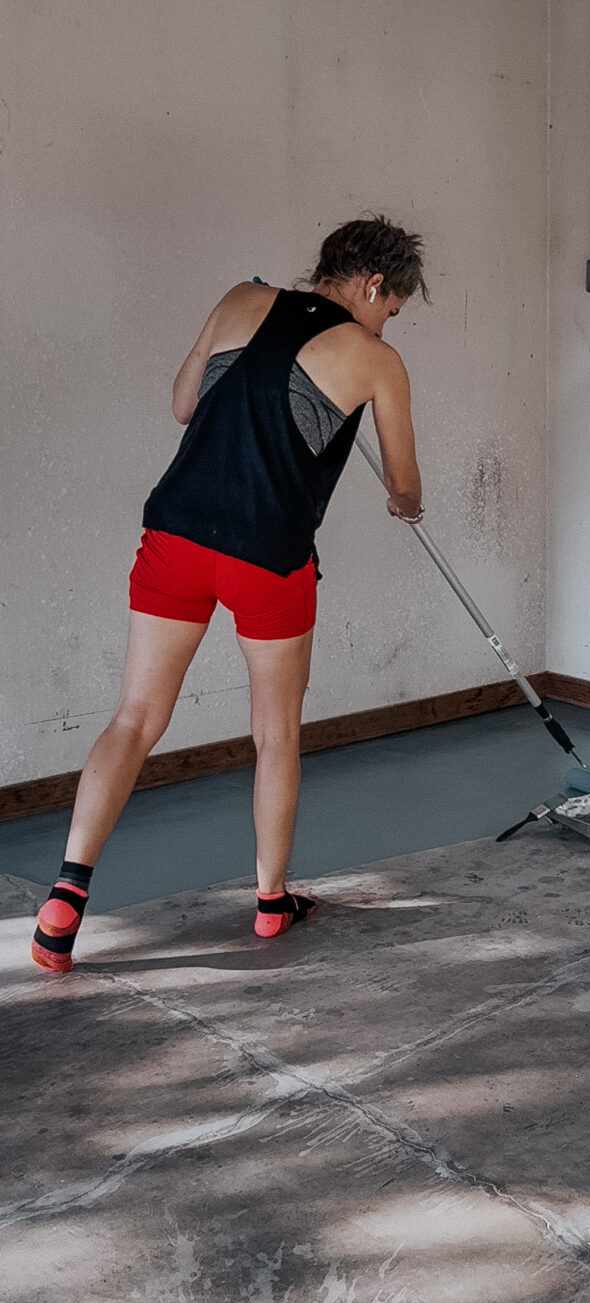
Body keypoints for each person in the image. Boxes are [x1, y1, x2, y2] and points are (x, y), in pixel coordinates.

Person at [31, 215, 428, 973]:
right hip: (268, 557)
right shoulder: (376, 359)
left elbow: (183, 404)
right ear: (375, 286)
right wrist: (404, 503)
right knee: (276, 733)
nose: (387, 321)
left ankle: (64, 900)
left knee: (133, 717)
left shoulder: (240, 300)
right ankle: (272, 902)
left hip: (176, 533)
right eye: (392, 306)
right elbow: (405, 487)